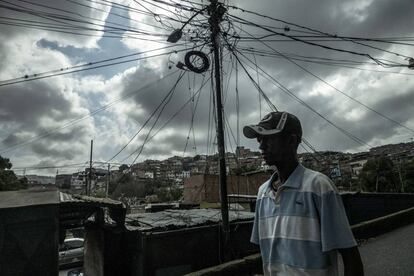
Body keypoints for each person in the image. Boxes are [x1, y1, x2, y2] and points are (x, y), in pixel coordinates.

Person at [243, 111, 363, 276]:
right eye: (259, 139)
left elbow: (350, 256)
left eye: (269, 139)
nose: (261, 146)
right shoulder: (263, 193)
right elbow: (265, 254)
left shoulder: (319, 187)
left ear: (291, 140)